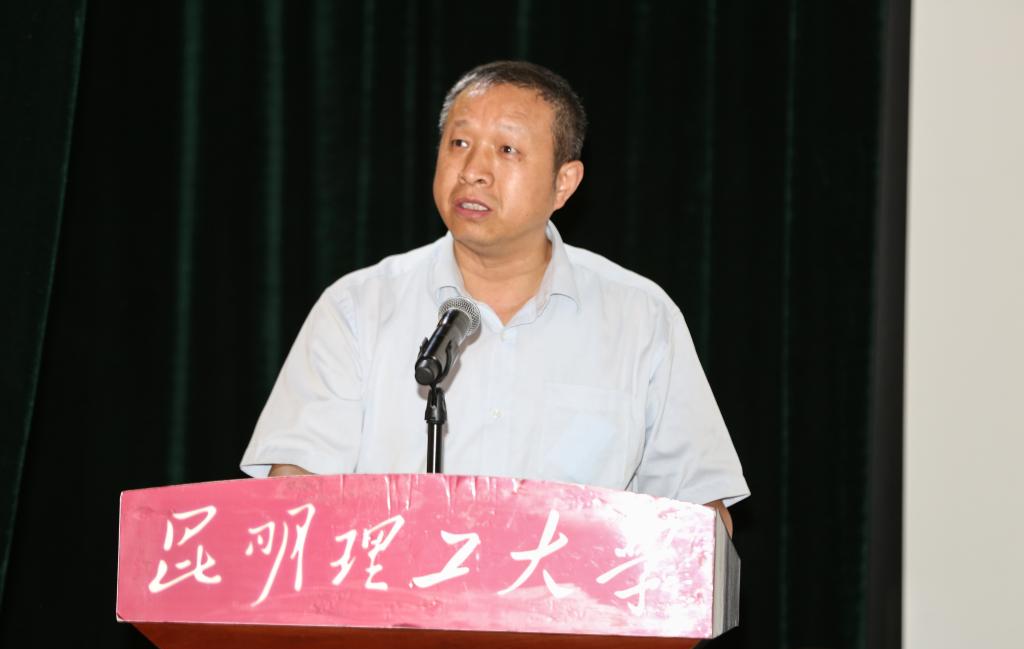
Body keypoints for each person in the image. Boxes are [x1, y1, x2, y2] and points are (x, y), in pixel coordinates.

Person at [240, 61, 749, 532]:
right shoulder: (358, 308)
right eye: (459, 143)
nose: (473, 170)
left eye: (507, 150)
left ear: (564, 183)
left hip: (569, 602)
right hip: (390, 601)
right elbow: (293, 500)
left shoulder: (640, 318)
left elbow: (702, 520)